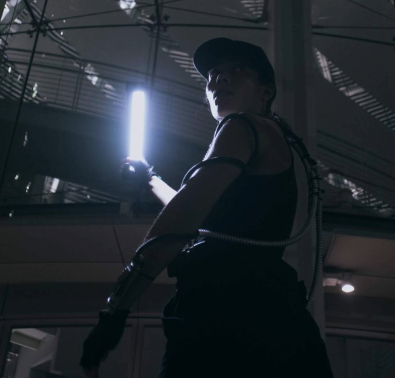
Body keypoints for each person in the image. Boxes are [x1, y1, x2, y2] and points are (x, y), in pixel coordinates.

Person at [81, 38, 333, 377]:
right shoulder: (286, 144)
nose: (219, 78)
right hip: (283, 321)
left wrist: (115, 309)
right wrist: (150, 178)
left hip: (225, 318)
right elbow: (203, 214)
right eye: (213, 74)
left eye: (238, 70)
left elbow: (181, 220)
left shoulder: (242, 125)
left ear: (266, 92)